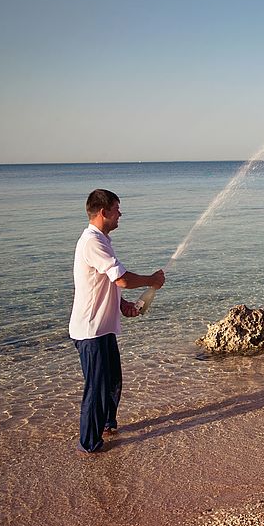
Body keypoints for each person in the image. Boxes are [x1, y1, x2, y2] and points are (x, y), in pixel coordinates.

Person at [68, 189, 165, 454]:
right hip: (91, 330)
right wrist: (150, 281)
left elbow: (106, 282)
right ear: (104, 212)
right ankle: (89, 444)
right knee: (97, 388)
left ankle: (107, 426)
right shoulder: (92, 241)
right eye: (117, 209)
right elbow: (121, 278)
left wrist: (122, 304)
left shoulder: (102, 240)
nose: (120, 213)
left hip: (103, 328)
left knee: (112, 382)